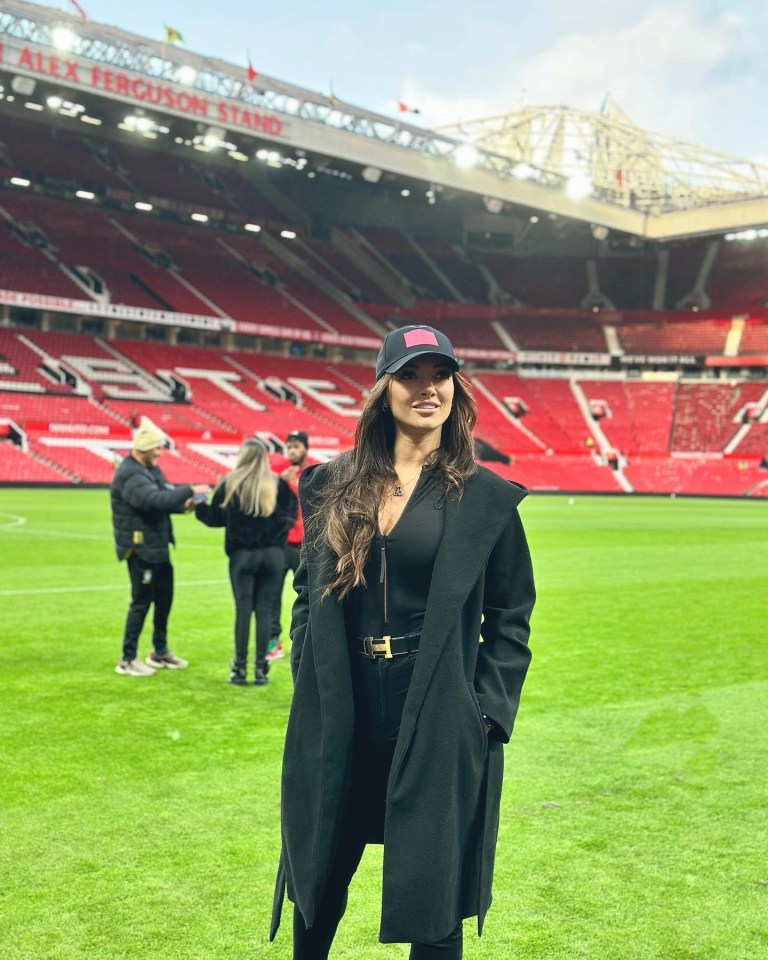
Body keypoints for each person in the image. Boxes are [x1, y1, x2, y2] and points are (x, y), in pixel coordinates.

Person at [271, 325, 536, 959]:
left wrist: (486, 715)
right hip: (345, 707)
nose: (427, 389)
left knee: (433, 894)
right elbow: (308, 595)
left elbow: (510, 615)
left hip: (439, 714)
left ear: (455, 389)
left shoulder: (487, 499)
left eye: (439, 376)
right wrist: (308, 672)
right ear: (383, 389)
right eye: (411, 375)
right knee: (319, 876)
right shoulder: (329, 484)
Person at [111, 416, 210, 677]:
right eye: (156, 448)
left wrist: (183, 504)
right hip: (140, 548)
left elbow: (165, 494)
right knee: (141, 601)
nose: (160, 453)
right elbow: (153, 500)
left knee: (164, 600)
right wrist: (189, 489)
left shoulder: (149, 469)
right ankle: (127, 658)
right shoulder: (129, 473)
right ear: (143, 447)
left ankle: (159, 650)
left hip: (158, 546)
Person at [195, 439, 297, 686]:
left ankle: (239, 669)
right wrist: (274, 538)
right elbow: (290, 516)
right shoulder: (278, 485)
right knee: (264, 610)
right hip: (273, 555)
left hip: (242, 556)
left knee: (243, 610)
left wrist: (199, 502)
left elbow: (214, 517)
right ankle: (261, 669)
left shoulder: (231, 483)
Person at [267, 429, 312, 664]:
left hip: (305, 546)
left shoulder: (314, 472)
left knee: (308, 597)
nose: (292, 451)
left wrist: (294, 483)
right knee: (271, 595)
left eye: (296, 446)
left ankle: (306, 641)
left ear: (305, 448)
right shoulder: (278, 473)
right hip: (281, 544)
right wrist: (281, 482)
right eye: (289, 447)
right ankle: (273, 643)